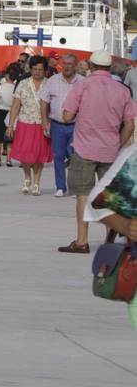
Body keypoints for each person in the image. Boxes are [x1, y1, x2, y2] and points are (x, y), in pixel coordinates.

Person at [57, 51, 136, 254]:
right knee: (109, 198)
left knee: (83, 194)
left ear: (91, 66)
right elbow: (129, 124)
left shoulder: (82, 85)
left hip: (84, 147)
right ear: (109, 68)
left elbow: (67, 116)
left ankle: (82, 241)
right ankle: (109, 242)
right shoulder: (122, 90)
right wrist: (118, 143)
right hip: (110, 150)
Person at [8, 56, 53, 195]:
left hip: (42, 123)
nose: (37, 72)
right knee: (25, 153)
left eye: (40, 69)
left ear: (45, 71)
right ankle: (27, 177)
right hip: (25, 121)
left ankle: (37, 183)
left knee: (39, 154)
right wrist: (10, 125)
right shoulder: (23, 83)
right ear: (30, 69)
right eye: (35, 69)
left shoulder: (50, 84)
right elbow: (15, 105)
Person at [39, 53, 82, 197]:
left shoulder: (82, 81)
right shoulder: (52, 80)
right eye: (65, 63)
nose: (67, 67)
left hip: (77, 125)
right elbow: (44, 101)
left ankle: (75, 187)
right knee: (58, 156)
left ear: (75, 65)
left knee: (75, 157)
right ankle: (60, 187)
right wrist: (44, 120)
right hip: (57, 124)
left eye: (70, 64)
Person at [0, 64, 20, 167]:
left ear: (7, 75)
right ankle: (8, 160)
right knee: (9, 138)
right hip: (12, 112)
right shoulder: (17, 88)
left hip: (0, 112)